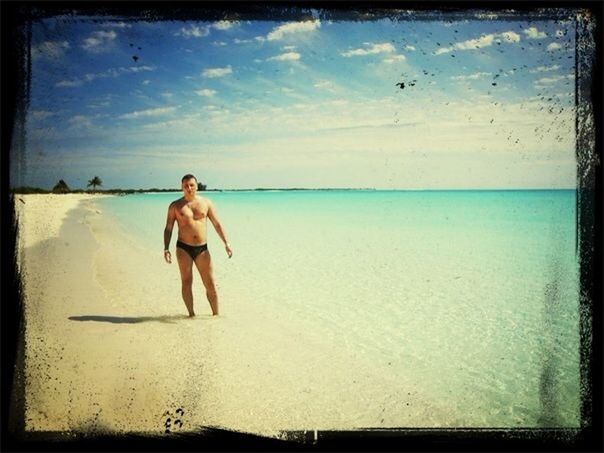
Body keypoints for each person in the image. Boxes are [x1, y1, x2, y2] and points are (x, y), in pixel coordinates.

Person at [164, 174, 233, 317]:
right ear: (181, 187)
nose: (189, 188)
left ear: (196, 186)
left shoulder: (206, 203)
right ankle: (191, 315)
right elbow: (169, 228)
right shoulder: (175, 206)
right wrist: (166, 248)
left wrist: (226, 243)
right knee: (186, 282)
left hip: (202, 248)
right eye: (186, 186)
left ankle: (216, 316)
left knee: (210, 283)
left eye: (191, 185)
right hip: (183, 247)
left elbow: (216, 224)